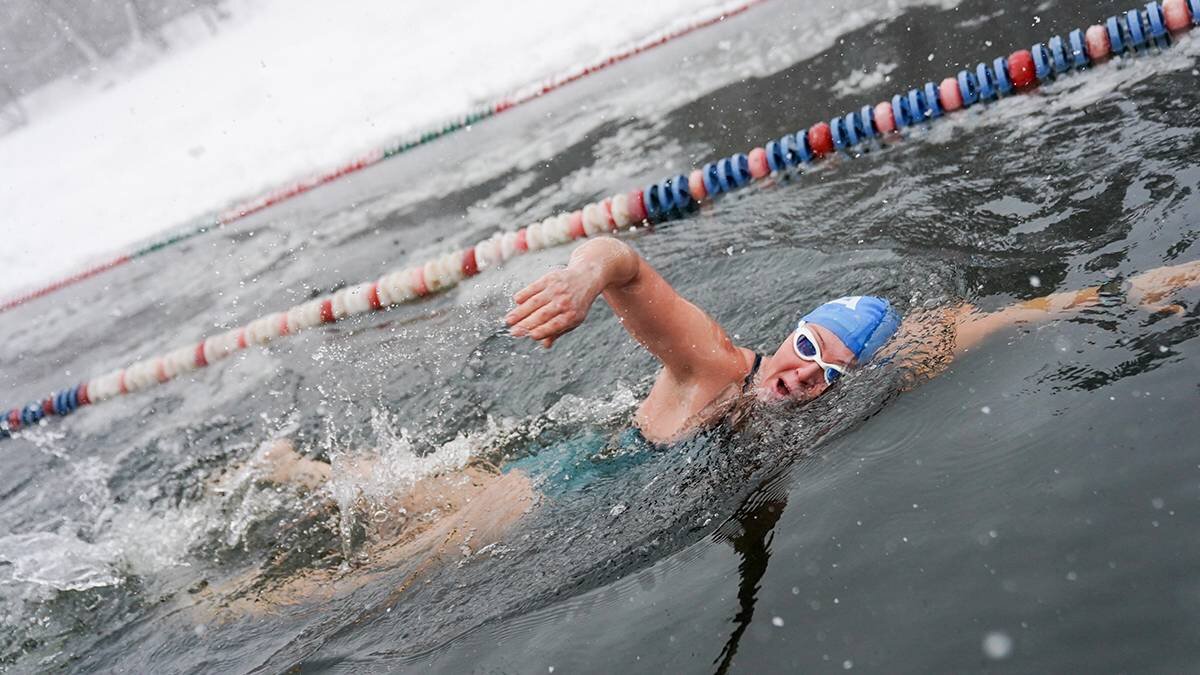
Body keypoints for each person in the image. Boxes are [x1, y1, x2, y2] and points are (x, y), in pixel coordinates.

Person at [505, 237, 1200, 444]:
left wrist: (1124, 294)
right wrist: (581, 279)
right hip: (544, 495)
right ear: (788, 336)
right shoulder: (714, 366)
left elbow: (994, 319)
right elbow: (623, 261)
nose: (808, 375)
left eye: (832, 373)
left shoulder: (818, 393)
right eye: (807, 350)